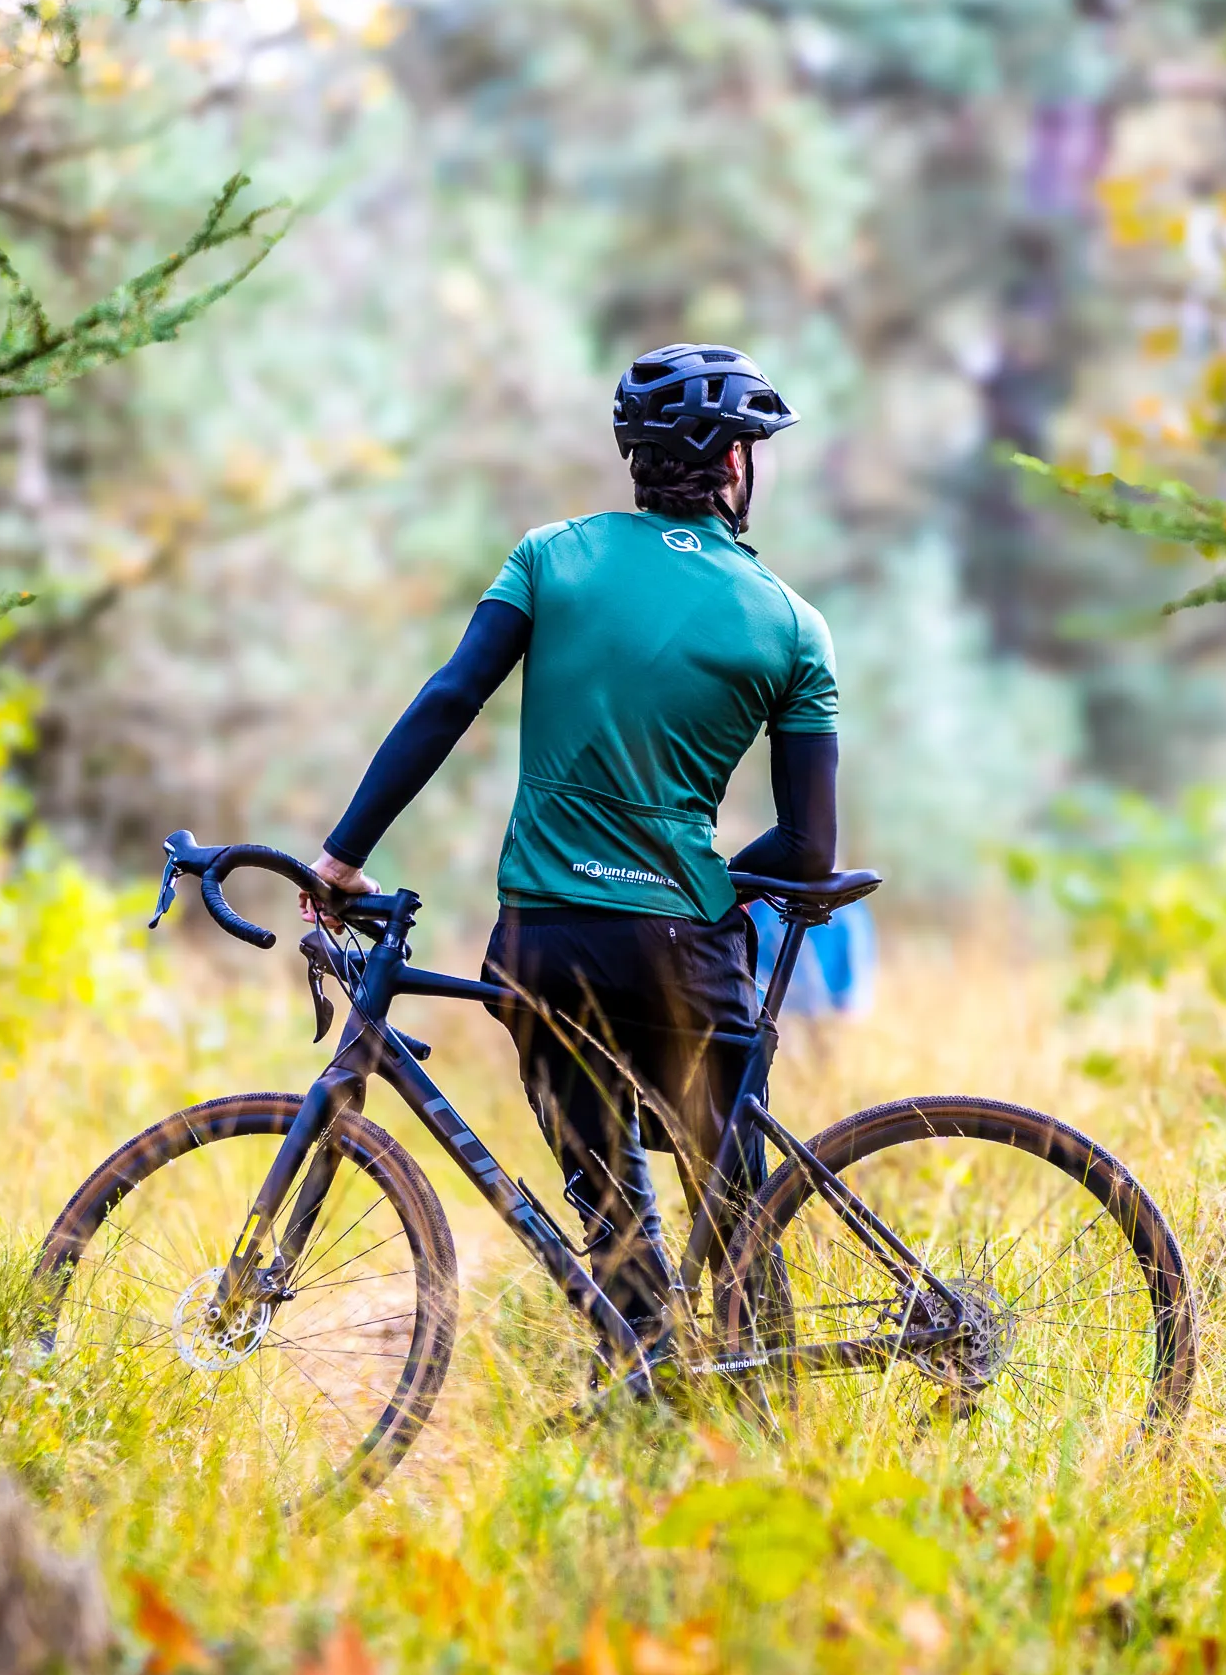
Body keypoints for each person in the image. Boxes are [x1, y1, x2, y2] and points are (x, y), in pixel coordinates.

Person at [309, 344, 839, 1356]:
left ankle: (638, 1389)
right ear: (734, 465)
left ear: (636, 456)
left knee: (611, 1213)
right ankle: (763, 1428)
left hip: (543, 940)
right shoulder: (791, 624)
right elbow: (811, 850)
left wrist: (341, 855)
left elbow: (450, 699)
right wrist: (710, 884)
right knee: (733, 1217)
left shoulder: (550, 557)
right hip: (681, 947)